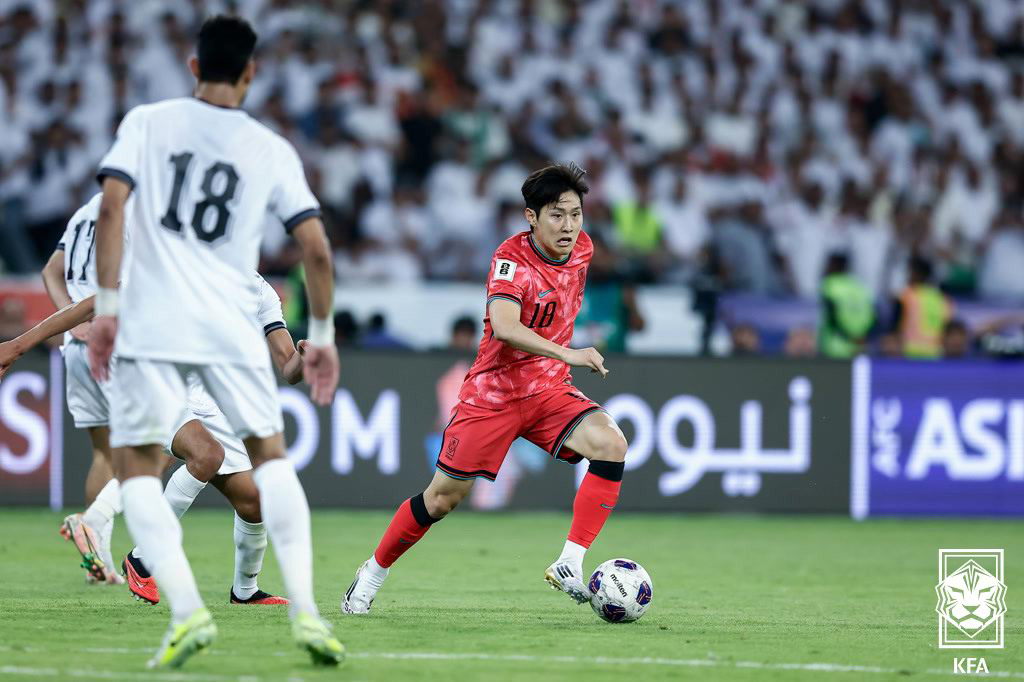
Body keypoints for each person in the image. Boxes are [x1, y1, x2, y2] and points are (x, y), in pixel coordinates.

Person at [85, 16, 342, 668]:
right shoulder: (270, 147)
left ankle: (185, 610)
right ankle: (310, 618)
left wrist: (110, 310)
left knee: (139, 470)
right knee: (275, 465)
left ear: (194, 68)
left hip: (158, 319)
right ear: (251, 74)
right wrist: (326, 336)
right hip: (228, 322)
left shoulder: (148, 121)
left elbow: (112, 209)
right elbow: (314, 245)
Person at [341, 163, 629, 614]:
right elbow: (506, 326)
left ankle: (570, 561)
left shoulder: (584, 249)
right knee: (440, 500)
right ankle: (373, 571)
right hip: (492, 396)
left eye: (576, 214)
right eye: (557, 215)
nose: (569, 226)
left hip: (548, 389)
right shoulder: (510, 260)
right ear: (531, 217)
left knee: (611, 443)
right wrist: (570, 352)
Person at [38, 194, 300, 605]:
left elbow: (288, 365)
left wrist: (305, 360)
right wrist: (20, 344)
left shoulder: (259, 292)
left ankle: (244, 591)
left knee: (254, 503)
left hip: (211, 401)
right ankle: (140, 558)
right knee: (201, 455)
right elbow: (97, 304)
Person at [892, 256, 952, 359]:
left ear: (918, 274)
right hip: (935, 355)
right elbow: (948, 328)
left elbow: (895, 327)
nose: (908, 276)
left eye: (910, 272)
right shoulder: (942, 299)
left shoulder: (906, 296)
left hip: (908, 354)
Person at [818, 253, 875, 358]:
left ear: (835, 266)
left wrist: (847, 337)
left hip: (835, 347)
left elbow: (831, 315)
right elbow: (872, 316)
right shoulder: (860, 287)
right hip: (859, 346)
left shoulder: (830, 284)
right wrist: (860, 337)